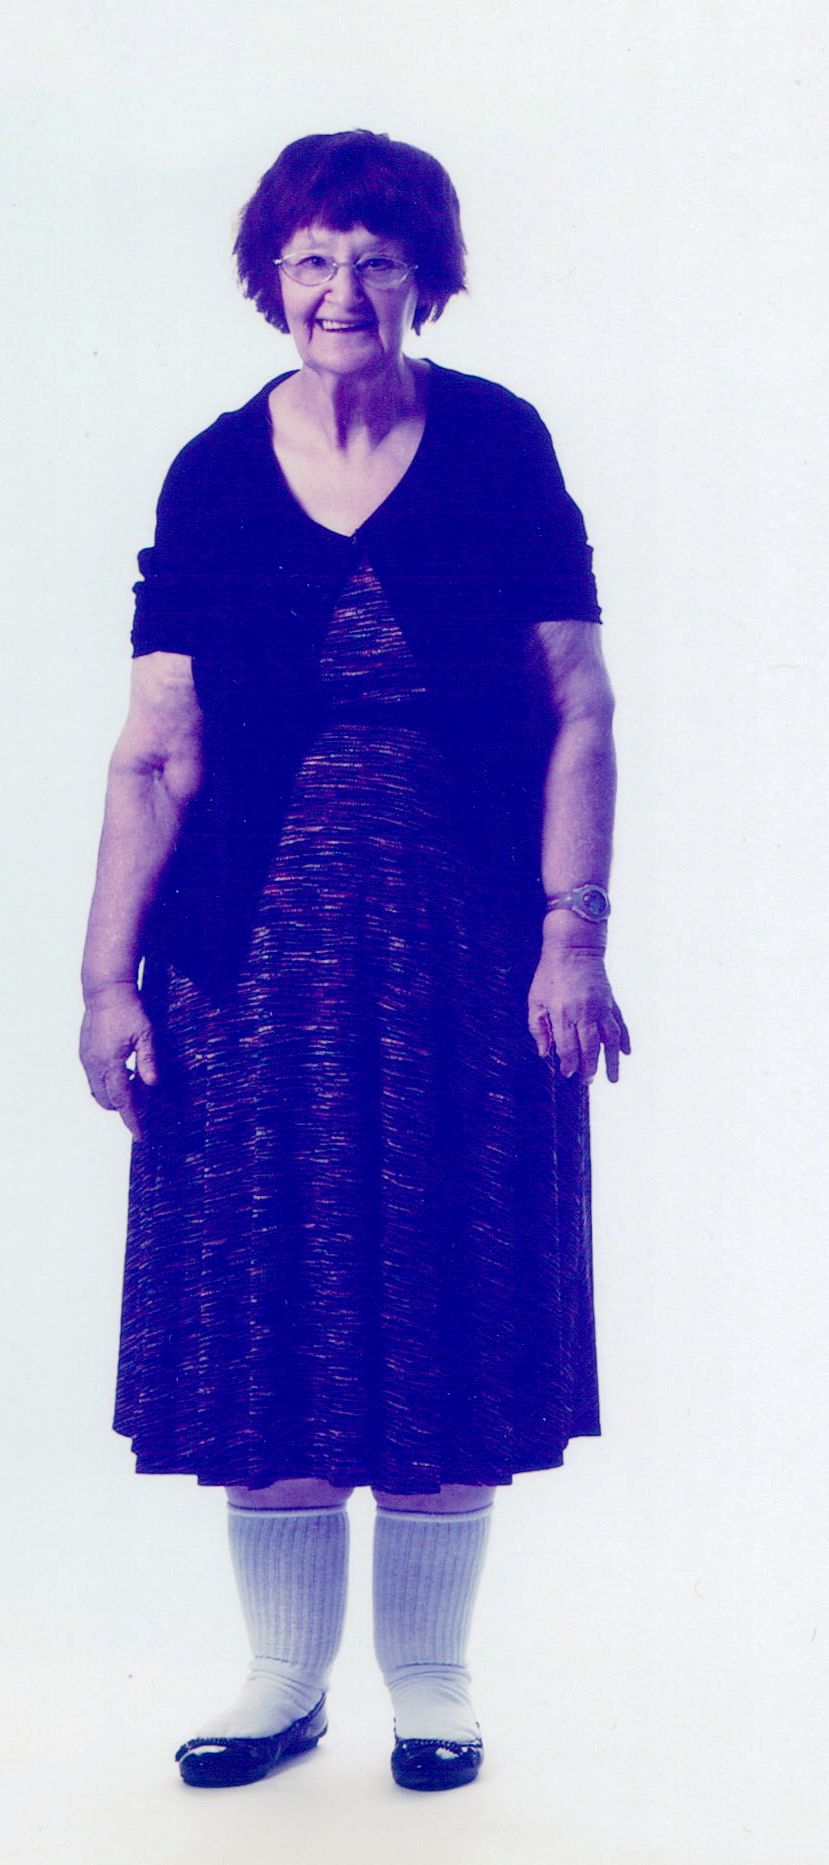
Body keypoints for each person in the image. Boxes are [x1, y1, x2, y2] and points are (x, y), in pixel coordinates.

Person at [79, 128, 629, 1795]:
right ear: (273, 277)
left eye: (376, 259)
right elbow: (153, 749)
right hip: (243, 963)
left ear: (425, 281)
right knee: (267, 1298)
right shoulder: (209, 470)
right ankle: (280, 1675)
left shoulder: (498, 444)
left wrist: (572, 931)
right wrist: (105, 980)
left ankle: (433, 1678)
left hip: (471, 955)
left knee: (453, 1281)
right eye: (312, 259)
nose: (342, 291)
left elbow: (576, 705)